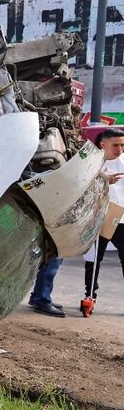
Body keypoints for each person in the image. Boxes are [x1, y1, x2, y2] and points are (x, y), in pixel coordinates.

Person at [82, 127, 124, 312]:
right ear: (103, 144)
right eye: (116, 145)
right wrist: (102, 179)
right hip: (98, 217)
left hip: (121, 218)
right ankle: (90, 296)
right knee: (93, 259)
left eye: (122, 145)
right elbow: (78, 184)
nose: (120, 149)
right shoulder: (91, 162)